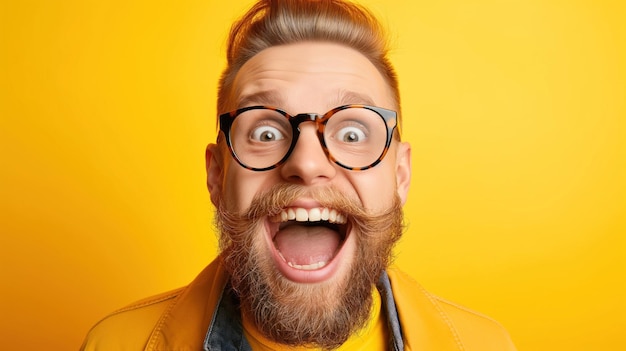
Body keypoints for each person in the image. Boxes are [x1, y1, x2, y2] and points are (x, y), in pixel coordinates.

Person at [82, 0, 517, 350]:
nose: (307, 164)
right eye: (266, 131)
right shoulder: (115, 344)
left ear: (400, 175)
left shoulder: (487, 346)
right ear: (217, 175)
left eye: (351, 132)